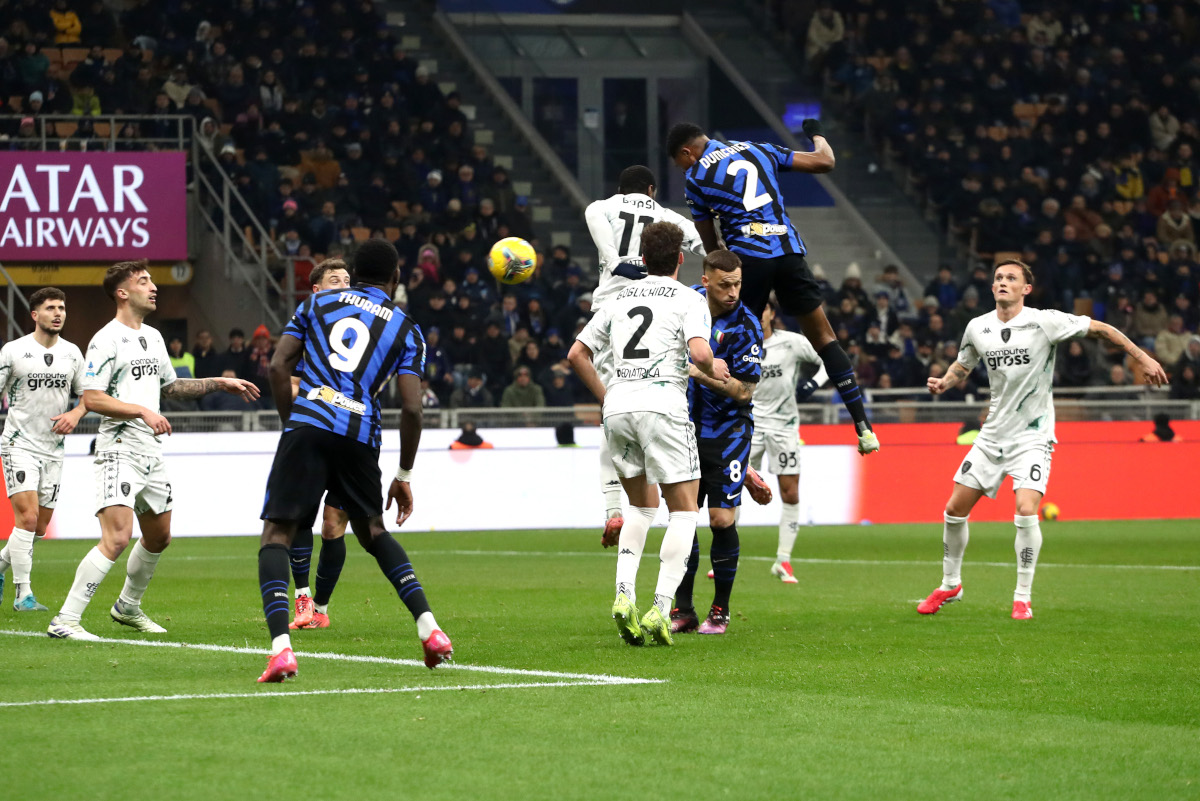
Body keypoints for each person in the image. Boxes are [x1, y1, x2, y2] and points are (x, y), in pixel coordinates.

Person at [920, 260, 1168, 620]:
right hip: (992, 437)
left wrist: (1141, 356)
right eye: (999, 278)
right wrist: (945, 381)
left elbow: (1099, 329)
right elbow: (964, 363)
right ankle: (949, 584)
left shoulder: (1045, 321)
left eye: (1011, 279)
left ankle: (1022, 596)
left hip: (1032, 436)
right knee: (954, 510)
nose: (1003, 283)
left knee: (1025, 509)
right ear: (992, 288)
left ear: (1026, 289)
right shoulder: (978, 327)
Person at [256, 239, 452, 682]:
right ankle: (430, 629)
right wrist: (403, 474)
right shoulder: (407, 328)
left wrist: (295, 426)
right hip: (361, 434)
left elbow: (277, 366)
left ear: (354, 271)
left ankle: (282, 651)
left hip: (310, 424)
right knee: (373, 532)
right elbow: (413, 408)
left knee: (277, 534)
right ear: (396, 279)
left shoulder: (317, 304)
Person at [49, 262, 259, 640]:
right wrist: (142, 411)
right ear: (122, 293)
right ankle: (65, 620)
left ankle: (127, 606)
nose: (153, 286)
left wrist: (218, 383)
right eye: (143, 281)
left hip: (151, 451)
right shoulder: (105, 339)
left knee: (159, 535)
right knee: (116, 537)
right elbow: (93, 397)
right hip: (119, 447)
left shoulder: (154, 337)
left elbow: (172, 386)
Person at [666, 120, 879, 456]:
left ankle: (721, 432)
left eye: (680, 164)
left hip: (749, 259)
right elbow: (824, 161)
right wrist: (817, 133)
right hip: (789, 252)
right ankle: (863, 427)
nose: (683, 170)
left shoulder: (696, 179)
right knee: (824, 337)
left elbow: (713, 249)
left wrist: (723, 279)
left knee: (731, 340)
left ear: (686, 152)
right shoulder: (757, 148)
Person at [568, 221, 728, 647]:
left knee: (640, 507)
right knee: (684, 510)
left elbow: (577, 353)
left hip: (618, 406)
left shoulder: (620, 298)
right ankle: (660, 607)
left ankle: (623, 597)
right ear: (679, 258)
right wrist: (714, 368)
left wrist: (607, 398)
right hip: (663, 407)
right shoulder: (688, 298)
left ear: (642, 257)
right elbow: (699, 352)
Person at [584, 164, 707, 548]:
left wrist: (621, 264)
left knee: (614, 410)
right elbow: (705, 245)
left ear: (619, 188)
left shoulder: (599, 208)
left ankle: (613, 510)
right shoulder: (666, 216)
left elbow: (612, 259)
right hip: (662, 311)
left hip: (613, 315)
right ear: (652, 190)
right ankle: (670, 498)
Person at [669, 250, 765, 636]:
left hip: (728, 431)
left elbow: (743, 392)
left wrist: (699, 370)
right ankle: (684, 609)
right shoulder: (685, 304)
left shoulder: (747, 326)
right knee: (684, 518)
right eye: (725, 284)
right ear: (706, 279)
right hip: (684, 428)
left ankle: (720, 610)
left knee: (721, 519)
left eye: (738, 284)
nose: (733, 292)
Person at [0, 289, 88, 612]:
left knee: (38, 527)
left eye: (62, 307)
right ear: (35, 314)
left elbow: (88, 396)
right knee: (27, 517)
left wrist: (76, 413)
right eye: (50, 308)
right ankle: (23, 595)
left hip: (53, 450)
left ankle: (0, 566)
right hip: (18, 443)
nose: (58, 313)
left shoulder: (73, 355)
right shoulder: (13, 352)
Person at [285, 258, 352, 630]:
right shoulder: (307, 319)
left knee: (333, 525)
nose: (343, 285)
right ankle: (302, 599)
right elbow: (285, 375)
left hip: (351, 436)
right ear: (316, 289)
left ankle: (321, 609)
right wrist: (312, 395)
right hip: (312, 431)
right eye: (334, 280)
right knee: (301, 516)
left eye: (347, 280)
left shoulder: (365, 328)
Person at [749, 299, 828, 583]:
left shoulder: (792, 343)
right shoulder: (741, 343)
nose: (759, 316)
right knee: (731, 488)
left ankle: (783, 560)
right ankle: (724, 554)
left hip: (784, 428)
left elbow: (829, 358)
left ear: (771, 313)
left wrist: (814, 383)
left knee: (790, 493)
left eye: (763, 310)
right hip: (750, 427)